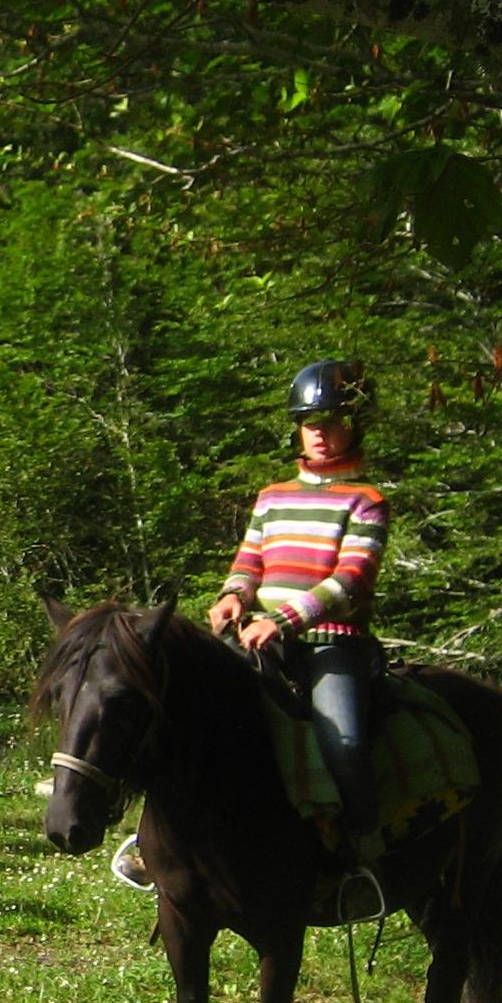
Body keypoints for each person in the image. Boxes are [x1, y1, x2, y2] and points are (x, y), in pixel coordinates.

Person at [208, 359, 391, 879]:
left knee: (346, 742)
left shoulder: (367, 501)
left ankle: (364, 851)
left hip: (334, 644)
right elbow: (250, 561)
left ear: (354, 427)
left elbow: (349, 581)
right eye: (311, 422)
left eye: (333, 422)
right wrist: (233, 595)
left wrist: (283, 621)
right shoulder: (272, 496)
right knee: (190, 715)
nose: (320, 433)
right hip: (262, 638)